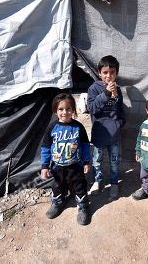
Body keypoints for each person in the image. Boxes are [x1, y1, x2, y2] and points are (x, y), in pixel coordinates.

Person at [41, 93, 91, 225]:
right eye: (61, 109)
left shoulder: (78, 127)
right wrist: (44, 166)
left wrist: (86, 161)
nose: (65, 112)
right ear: (55, 111)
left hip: (76, 165)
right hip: (57, 166)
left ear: (73, 110)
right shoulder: (52, 128)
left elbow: (86, 145)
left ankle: (83, 207)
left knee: (80, 186)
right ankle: (58, 202)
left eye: (68, 109)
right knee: (58, 185)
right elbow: (45, 147)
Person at [87, 55, 126, 200]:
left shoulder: (118, 90)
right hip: (99, 132)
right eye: (105, 72)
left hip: (114, 134)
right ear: (99, 73)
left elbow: (120, 109)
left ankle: (114, 183)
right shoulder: (94, 88)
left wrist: (121, 122)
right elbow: (92, 108)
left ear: (116, 73)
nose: (108, 76)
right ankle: (97, 181)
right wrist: (106, 93)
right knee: (97, 160)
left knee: (114, 161)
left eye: (112, 72)